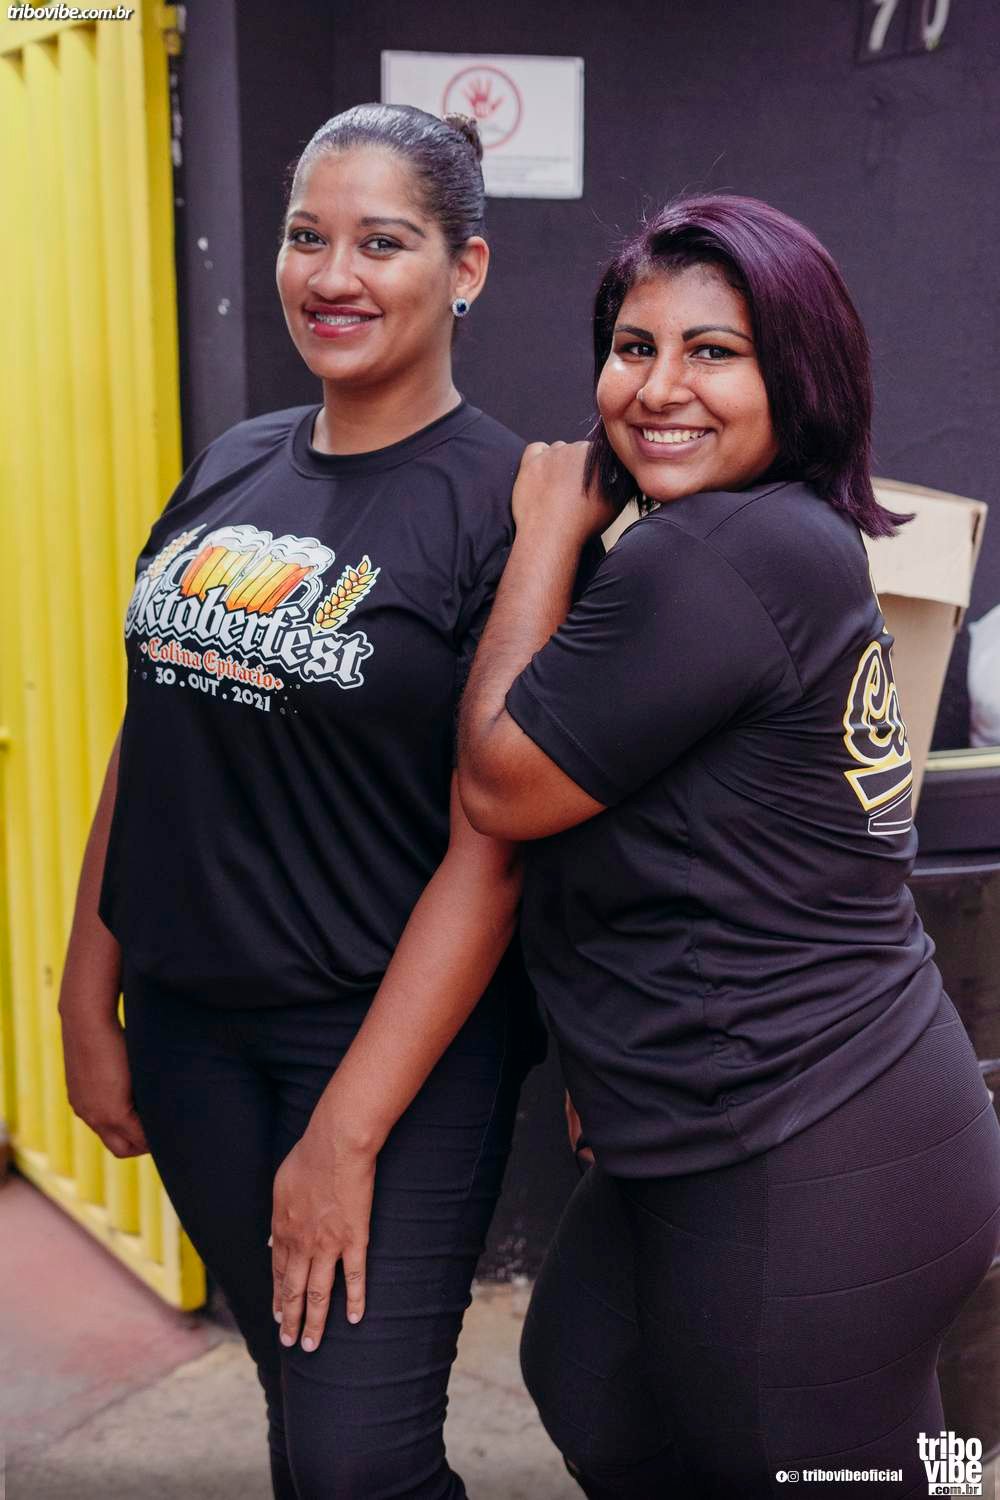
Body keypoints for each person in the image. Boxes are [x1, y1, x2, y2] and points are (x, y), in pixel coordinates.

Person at [458, 194, 1000, 1498]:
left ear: (797, 374)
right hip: (738, 1118)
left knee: (818, 1466)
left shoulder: (718, 552)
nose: (659, 389)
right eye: (633, 347)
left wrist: (547, 532)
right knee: (594, 1376)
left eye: (715, 351)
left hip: (810, 1142)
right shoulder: (783, 534)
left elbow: (499, 782)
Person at [59, 103, 537, 1500]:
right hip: (194, 1036)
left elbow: (497, 846)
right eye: (304, 237)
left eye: (382, 242)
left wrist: (346, 1131)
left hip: (390, 1046)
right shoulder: (233, 461)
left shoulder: (511, 505)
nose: (333, 276)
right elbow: (159, 725)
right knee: (304, 1405)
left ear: (465, 267)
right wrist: (88, 991)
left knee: (354, 1464)